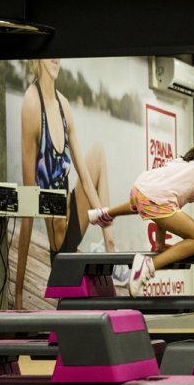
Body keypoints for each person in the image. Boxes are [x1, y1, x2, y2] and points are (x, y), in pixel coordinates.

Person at [15, 59, 117, 309]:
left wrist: (106, 224)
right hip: (59, 242)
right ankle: (105, 248)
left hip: (73, 219)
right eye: (50, 55)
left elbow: (85, 177)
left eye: (58, 55)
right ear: (36, 59)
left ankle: (110, 247)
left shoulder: (64, 105)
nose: (56, 59)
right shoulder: (31, 104)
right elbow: (28, 204)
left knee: (98, 151)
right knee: (52, 205)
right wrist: (18, 293)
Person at [88, 132, 194, 297]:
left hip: (140, 189)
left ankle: (105, 214)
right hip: (156, 200)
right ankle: (147, 266)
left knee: (151, 204)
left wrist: (160, 244)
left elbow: (165, 204)